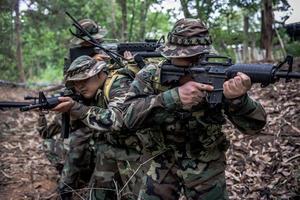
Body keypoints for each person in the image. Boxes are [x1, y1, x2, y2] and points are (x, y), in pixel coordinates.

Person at [123, 18, 267, 200]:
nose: (192, 63)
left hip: (206, 164)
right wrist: (172, 98)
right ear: (170, 54)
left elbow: (255, 127)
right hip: (160, 161)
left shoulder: (218, 73)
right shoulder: (151, 75)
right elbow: (125, 118)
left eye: (196, 58)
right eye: (183, 58)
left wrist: (238, 100)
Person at [53, 55, 144, 200]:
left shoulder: (119, 83)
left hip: (138, 153)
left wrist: (77, 108)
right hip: (110, 150)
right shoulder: (93, 93)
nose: (80, 87)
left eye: (84, 80)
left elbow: (117, 120)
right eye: (76, 83)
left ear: (100, 73)